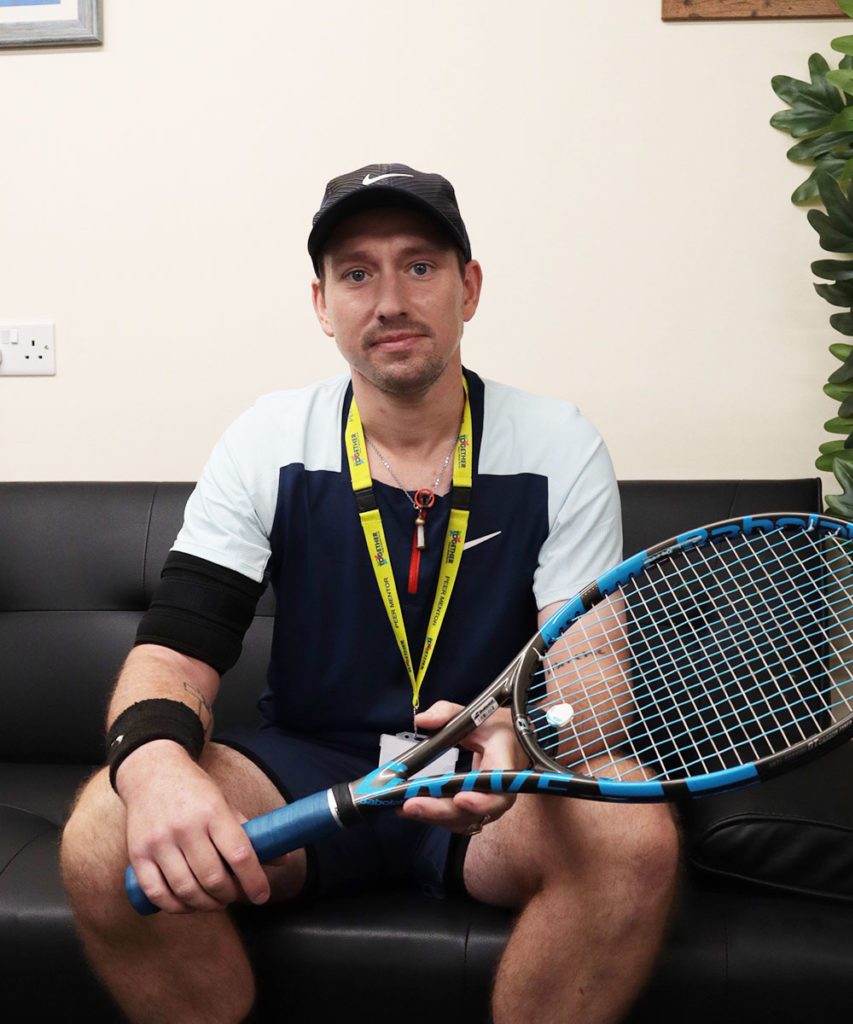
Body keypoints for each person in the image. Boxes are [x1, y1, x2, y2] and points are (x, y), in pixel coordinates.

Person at [60, 163, 679, 1024]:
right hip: (306, 771)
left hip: (481, 773)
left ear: (468, 288)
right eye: (357, 272)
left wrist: (529, 734)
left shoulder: (558, 443)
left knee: (632, 827)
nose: (389, 299)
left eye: (419, 266)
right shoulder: (266, 440)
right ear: (322, 304)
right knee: (101, 826)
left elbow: (590, 666)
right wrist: (156, 766)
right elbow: (175, 650)